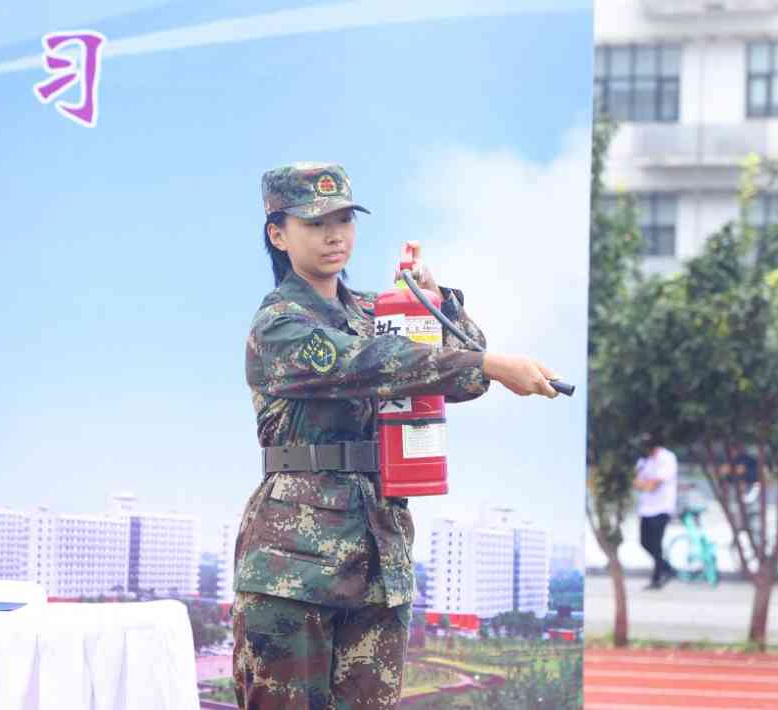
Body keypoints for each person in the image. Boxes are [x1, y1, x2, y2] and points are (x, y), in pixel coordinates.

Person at [231, 162, 561, 709]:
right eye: (315, 223)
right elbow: (373, 363)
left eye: (344, 220)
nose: (335, 235)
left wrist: (436, 302)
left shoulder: (375, 312)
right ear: (278, 234)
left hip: (379, 551)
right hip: (293, 563)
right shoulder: (280, 324)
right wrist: (490, 364)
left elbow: (458, 377)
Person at [633, 434, 678, 590]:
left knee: (656, 544)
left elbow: (653, 485)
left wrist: (646, 484)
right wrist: (645, 484)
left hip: (662, 507)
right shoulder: (643, 460)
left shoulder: (667, 458)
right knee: (644, 542)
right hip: (645, 508)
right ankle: (667, 568)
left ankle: (657, 578)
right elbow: (636, 482)